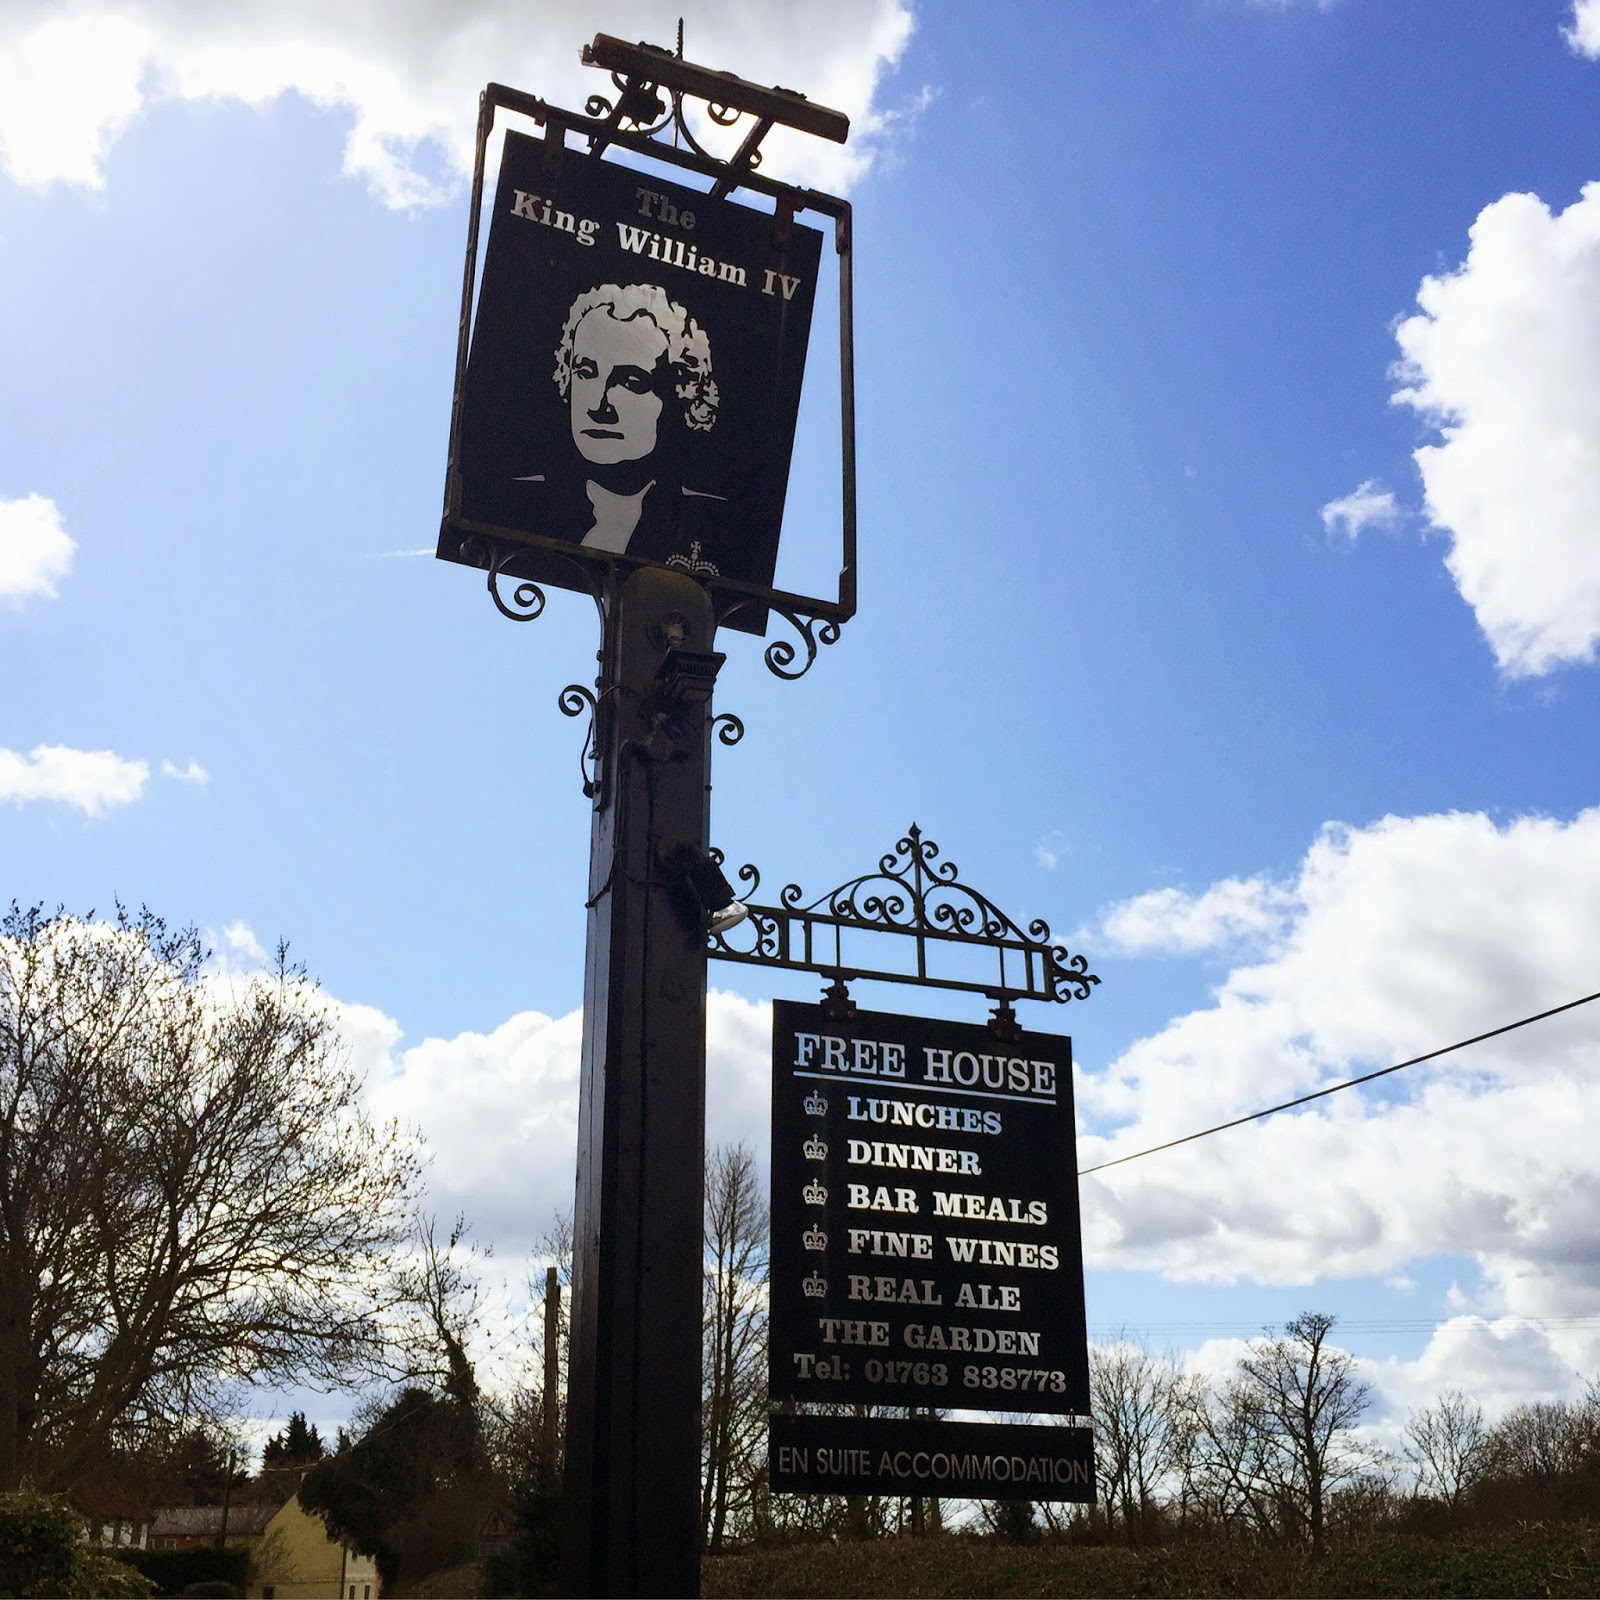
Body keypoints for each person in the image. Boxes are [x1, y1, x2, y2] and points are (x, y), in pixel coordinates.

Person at [511, 282, 729, 570]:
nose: (599, 405)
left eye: (631, 381)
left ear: (681, 394)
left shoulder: (715, 522)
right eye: (585, 372)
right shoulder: (513, 503)